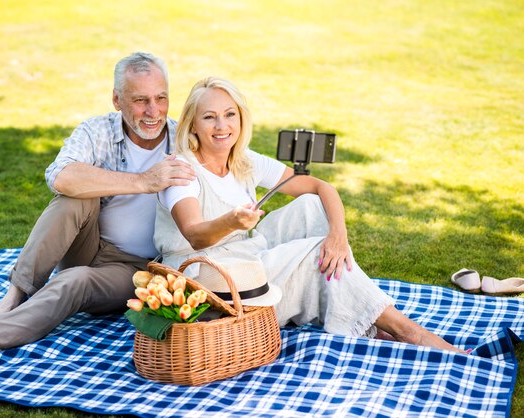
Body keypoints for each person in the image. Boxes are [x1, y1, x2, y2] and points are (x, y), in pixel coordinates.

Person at [0, 52, 196, 374]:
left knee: (73, 281)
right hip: (88, 245)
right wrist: (144, 182)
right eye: (140, 100)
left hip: (138, 269)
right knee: (73, 198)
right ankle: (12, 299)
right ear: (117, 100)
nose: (153, 111)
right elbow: (61, 176)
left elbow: (233, 159)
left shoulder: (184, 141)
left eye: (161, 98)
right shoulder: (97, 131)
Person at [154, 76, 466, 353]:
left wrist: (338, 237)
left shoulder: (243, 160)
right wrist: (232, 221)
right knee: (315, 253)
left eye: (229, 115)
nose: (222, 126)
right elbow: (195, 235)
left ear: (241, 119)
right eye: (210, 117)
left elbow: (320, 186)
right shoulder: (181, 170)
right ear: (193, 124)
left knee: (311, 207)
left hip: (244, 256)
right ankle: (408, 331)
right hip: (209, 283)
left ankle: (368, 318)